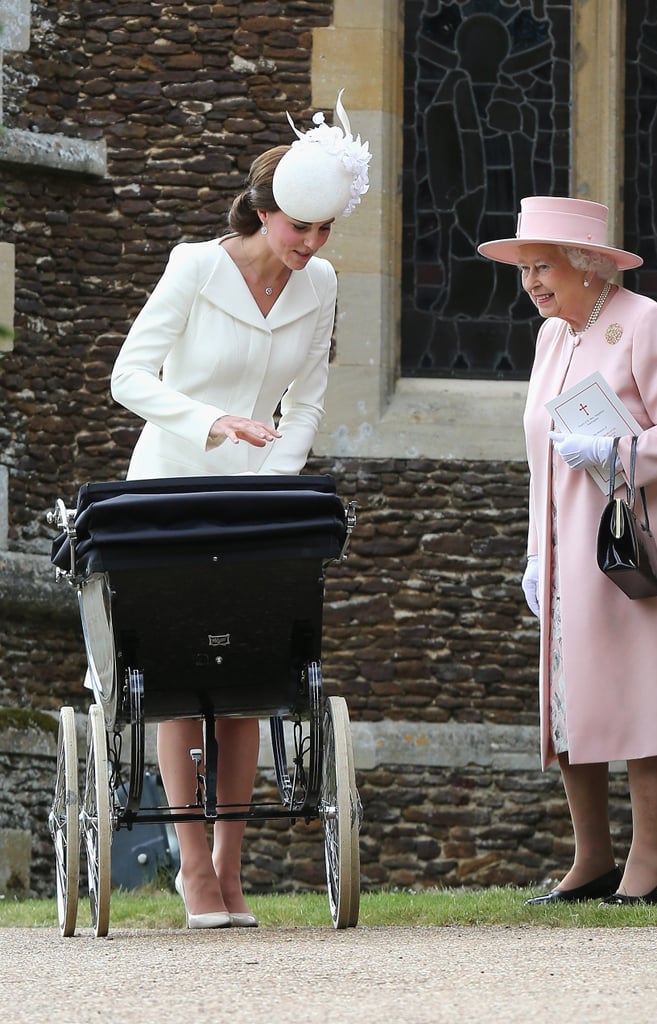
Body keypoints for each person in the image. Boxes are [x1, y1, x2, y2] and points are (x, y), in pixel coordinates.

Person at [109, 91, 371, 928]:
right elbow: (130, 378)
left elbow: (307, 401)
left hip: (260, 500)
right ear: (264, 212)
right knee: (181, 680)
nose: (313, 245)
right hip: (172, 485)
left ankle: (232, 867)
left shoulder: (320, 282)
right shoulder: (193, 266)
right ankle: (191, 866)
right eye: (300, 228)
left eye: (325, 231)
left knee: (249, 676)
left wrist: (277, 482)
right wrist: (211, 421)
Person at [477, 196, 657, 905]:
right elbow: (543, 461)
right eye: (524, 269)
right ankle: (589, 860)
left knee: (641, 696)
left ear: (587, 265)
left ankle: (649, 862)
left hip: (634, 549)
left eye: (543, 266)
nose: (531, 282)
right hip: (565, 555)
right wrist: (536, 552)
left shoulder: (645, 324)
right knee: (570, 701)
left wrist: (615, 450)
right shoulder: (550, 338)